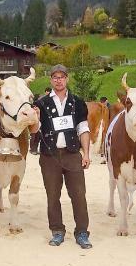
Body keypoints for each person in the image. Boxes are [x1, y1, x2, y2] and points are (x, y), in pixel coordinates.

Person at [33, 64, 92, 249]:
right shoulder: (41, 104)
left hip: (72, 154)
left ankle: (82, 232)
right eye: (55, 77)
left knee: (79, 195)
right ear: (51, 80)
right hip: (49, 156)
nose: (59, 80)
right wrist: (34, 118)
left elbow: (83, 128)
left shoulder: (77, 102)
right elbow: (35, 130)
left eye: (62, 77)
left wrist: (87, 154)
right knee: (52, 196)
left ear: (67, 79)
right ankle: (57, 231)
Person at [30, 87, 52, 155]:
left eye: (49, 93)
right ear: (45, 92)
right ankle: (33, 149)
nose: (48, 94)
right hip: (37, 120)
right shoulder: (41, 101)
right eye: (47, 92)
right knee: (35, 135)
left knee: (40, 136)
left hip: (44, 121)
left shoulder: (50, 101)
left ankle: (39, 149)